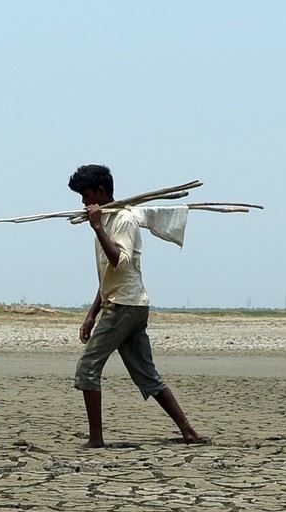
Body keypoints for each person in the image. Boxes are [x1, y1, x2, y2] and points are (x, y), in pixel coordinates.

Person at [68, 164, 205, 447]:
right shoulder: (105, 220)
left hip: (125, 307)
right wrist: (91, 314)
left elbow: (120, 261)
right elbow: (108, 275)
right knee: (147, 374)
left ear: (101, 191)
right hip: (122, 303)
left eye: (86, 194)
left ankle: (96, 440)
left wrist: (96, 227)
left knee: (87, 368)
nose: (83, 201)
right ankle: (189, 432)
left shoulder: (124, 221)